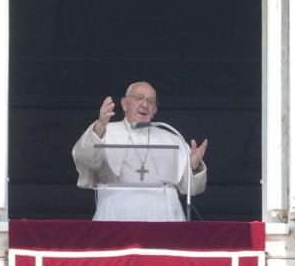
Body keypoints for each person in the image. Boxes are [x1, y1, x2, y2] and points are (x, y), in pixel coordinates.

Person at [72, 81, 208, 221]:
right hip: (116, 218)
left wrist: (193, 167)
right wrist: (100, 125)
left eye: (151, 101)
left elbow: (192, 189)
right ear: (125, 104)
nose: (145, 104)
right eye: (139, 98)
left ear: (154, 110)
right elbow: (85, 160)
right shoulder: (104, 132)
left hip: (165, 221)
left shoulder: (172, 138)